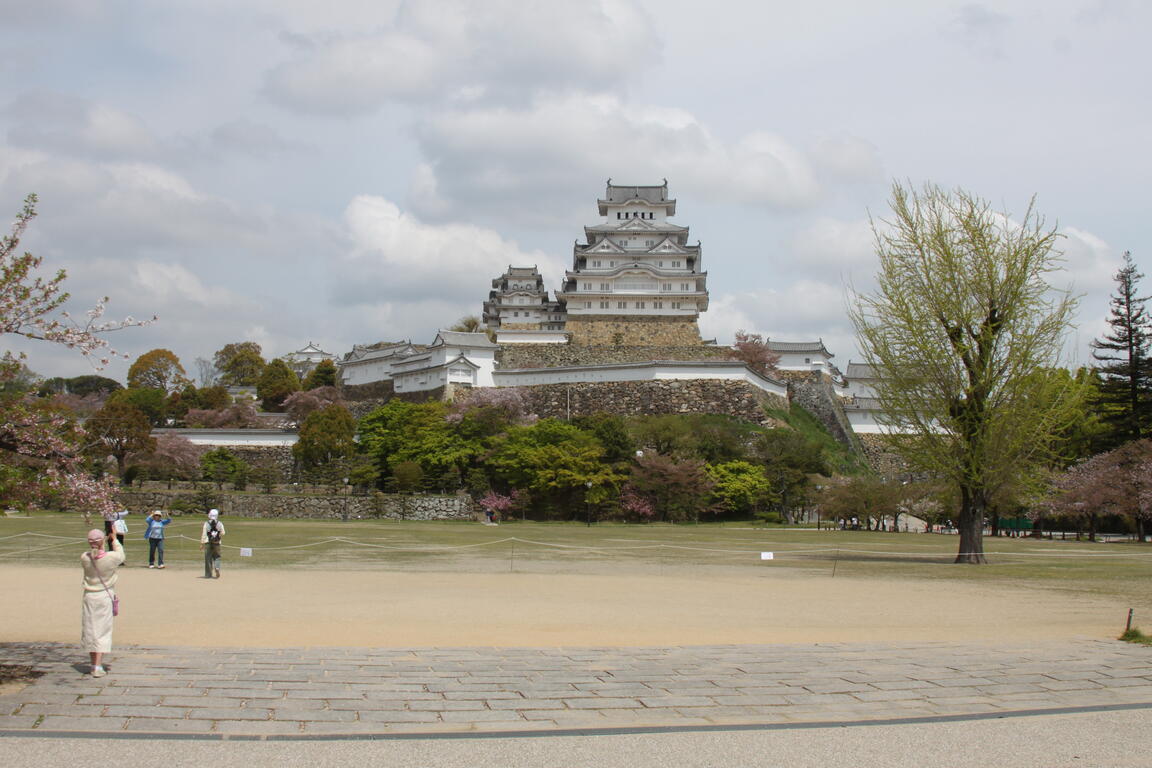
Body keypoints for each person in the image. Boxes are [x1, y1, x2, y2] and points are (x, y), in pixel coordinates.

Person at [81, 528, 124, 677]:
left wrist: (102, 543)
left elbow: (95, 555)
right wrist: (114, 539)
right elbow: (121, 555)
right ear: (102, 541)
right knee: (102, 630)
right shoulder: (111, 558)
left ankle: (94, 662)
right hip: (104, 596)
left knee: (91, 629)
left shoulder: (85, 557)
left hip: (89, 596)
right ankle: (97, 666)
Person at [200, 509, 225, 579]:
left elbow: (204, 534)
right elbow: (223, 532)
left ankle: (208, 574)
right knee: (217, 557)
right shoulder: (220, 523)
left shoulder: (206, 523)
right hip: (217, 543)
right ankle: (217, 568)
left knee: (208, 558)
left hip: (208, 542)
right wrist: (218, 535)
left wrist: (202, 543)